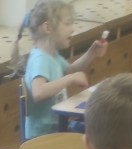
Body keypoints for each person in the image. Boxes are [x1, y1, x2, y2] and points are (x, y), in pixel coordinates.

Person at [13, 1, 106, 139]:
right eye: (67, 24)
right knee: (96, 136)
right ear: (48, 27)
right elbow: (39, 92)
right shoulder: (40, 59)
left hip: (57, 128)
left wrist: (91, 53)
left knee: (97, 130)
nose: (72, 29)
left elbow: (71, 69)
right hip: (43, 136)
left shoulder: (52, 55)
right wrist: (70, 79)